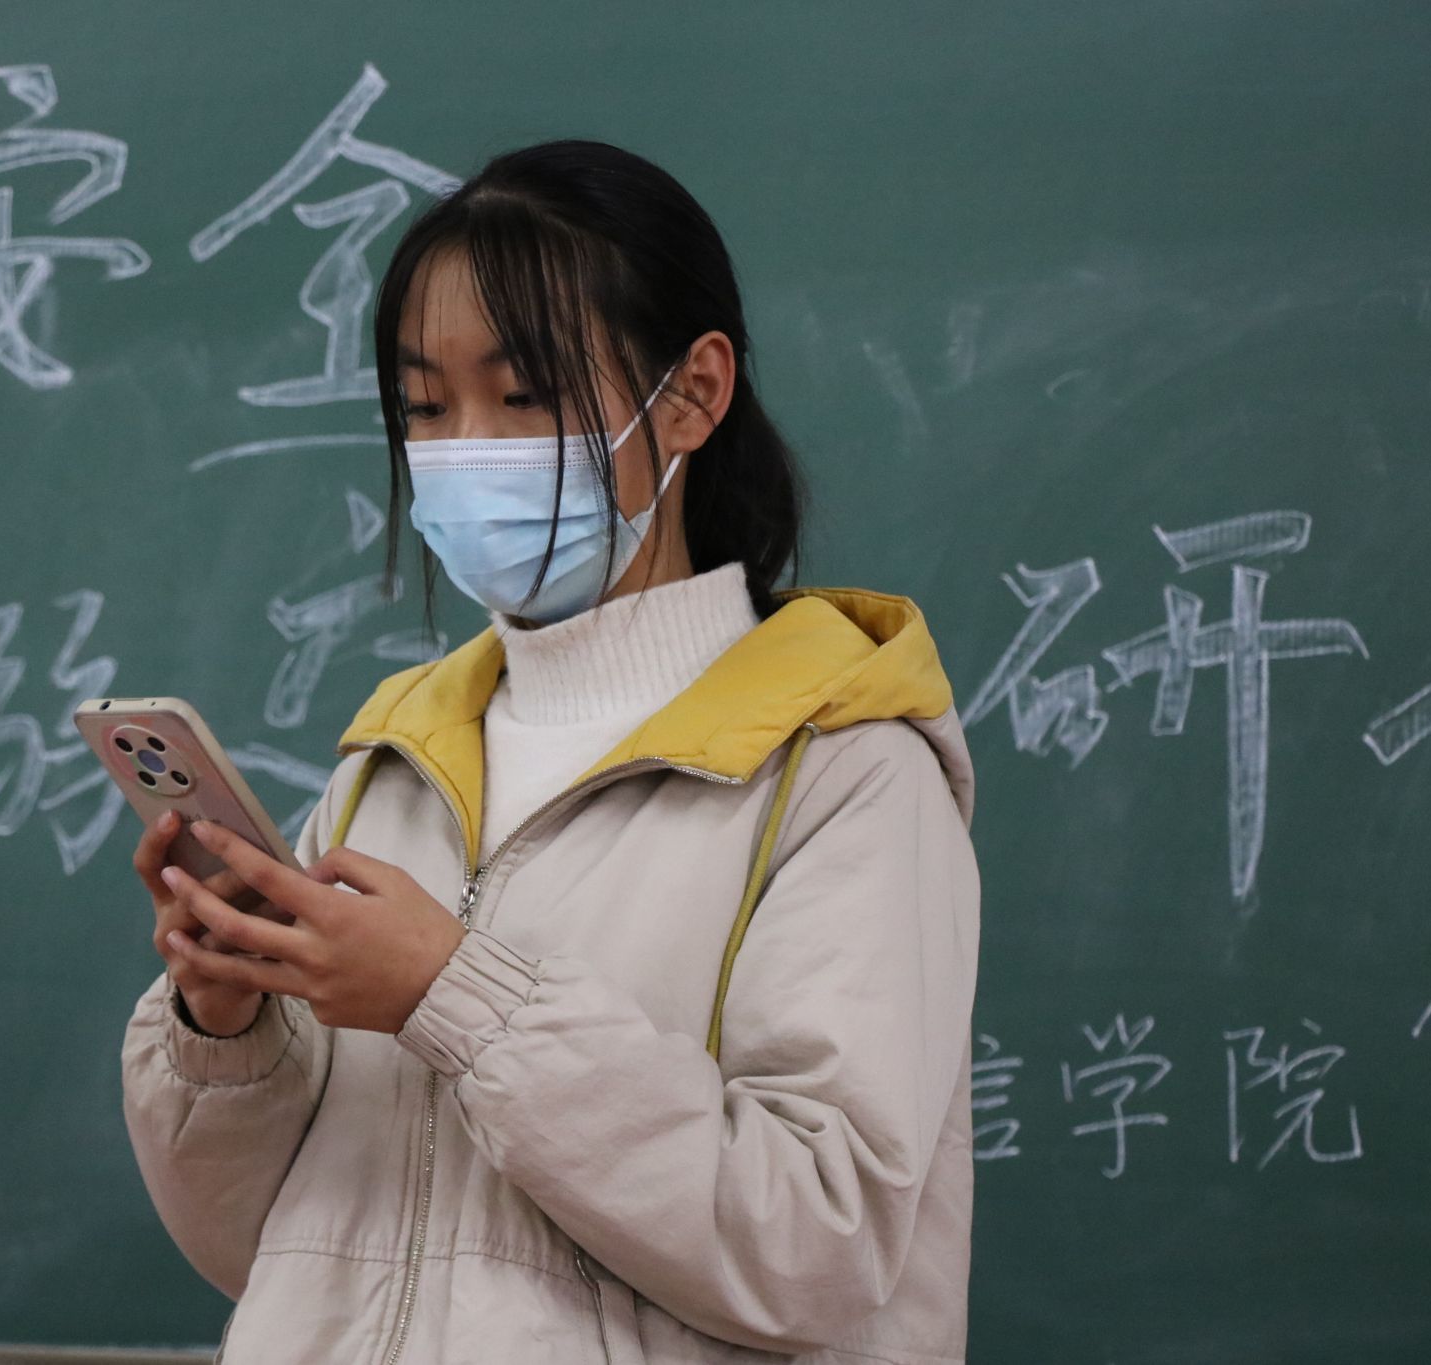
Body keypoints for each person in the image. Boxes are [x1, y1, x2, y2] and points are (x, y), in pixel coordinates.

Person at [121, 139, 981, 1364]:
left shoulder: (841, 772)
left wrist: (452, 996)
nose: (466, 446)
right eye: (425, 408)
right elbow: (258, 1248)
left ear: (691, 392)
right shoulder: (392, 765)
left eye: (524, 396)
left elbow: (818, 1247)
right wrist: (224, 1026)